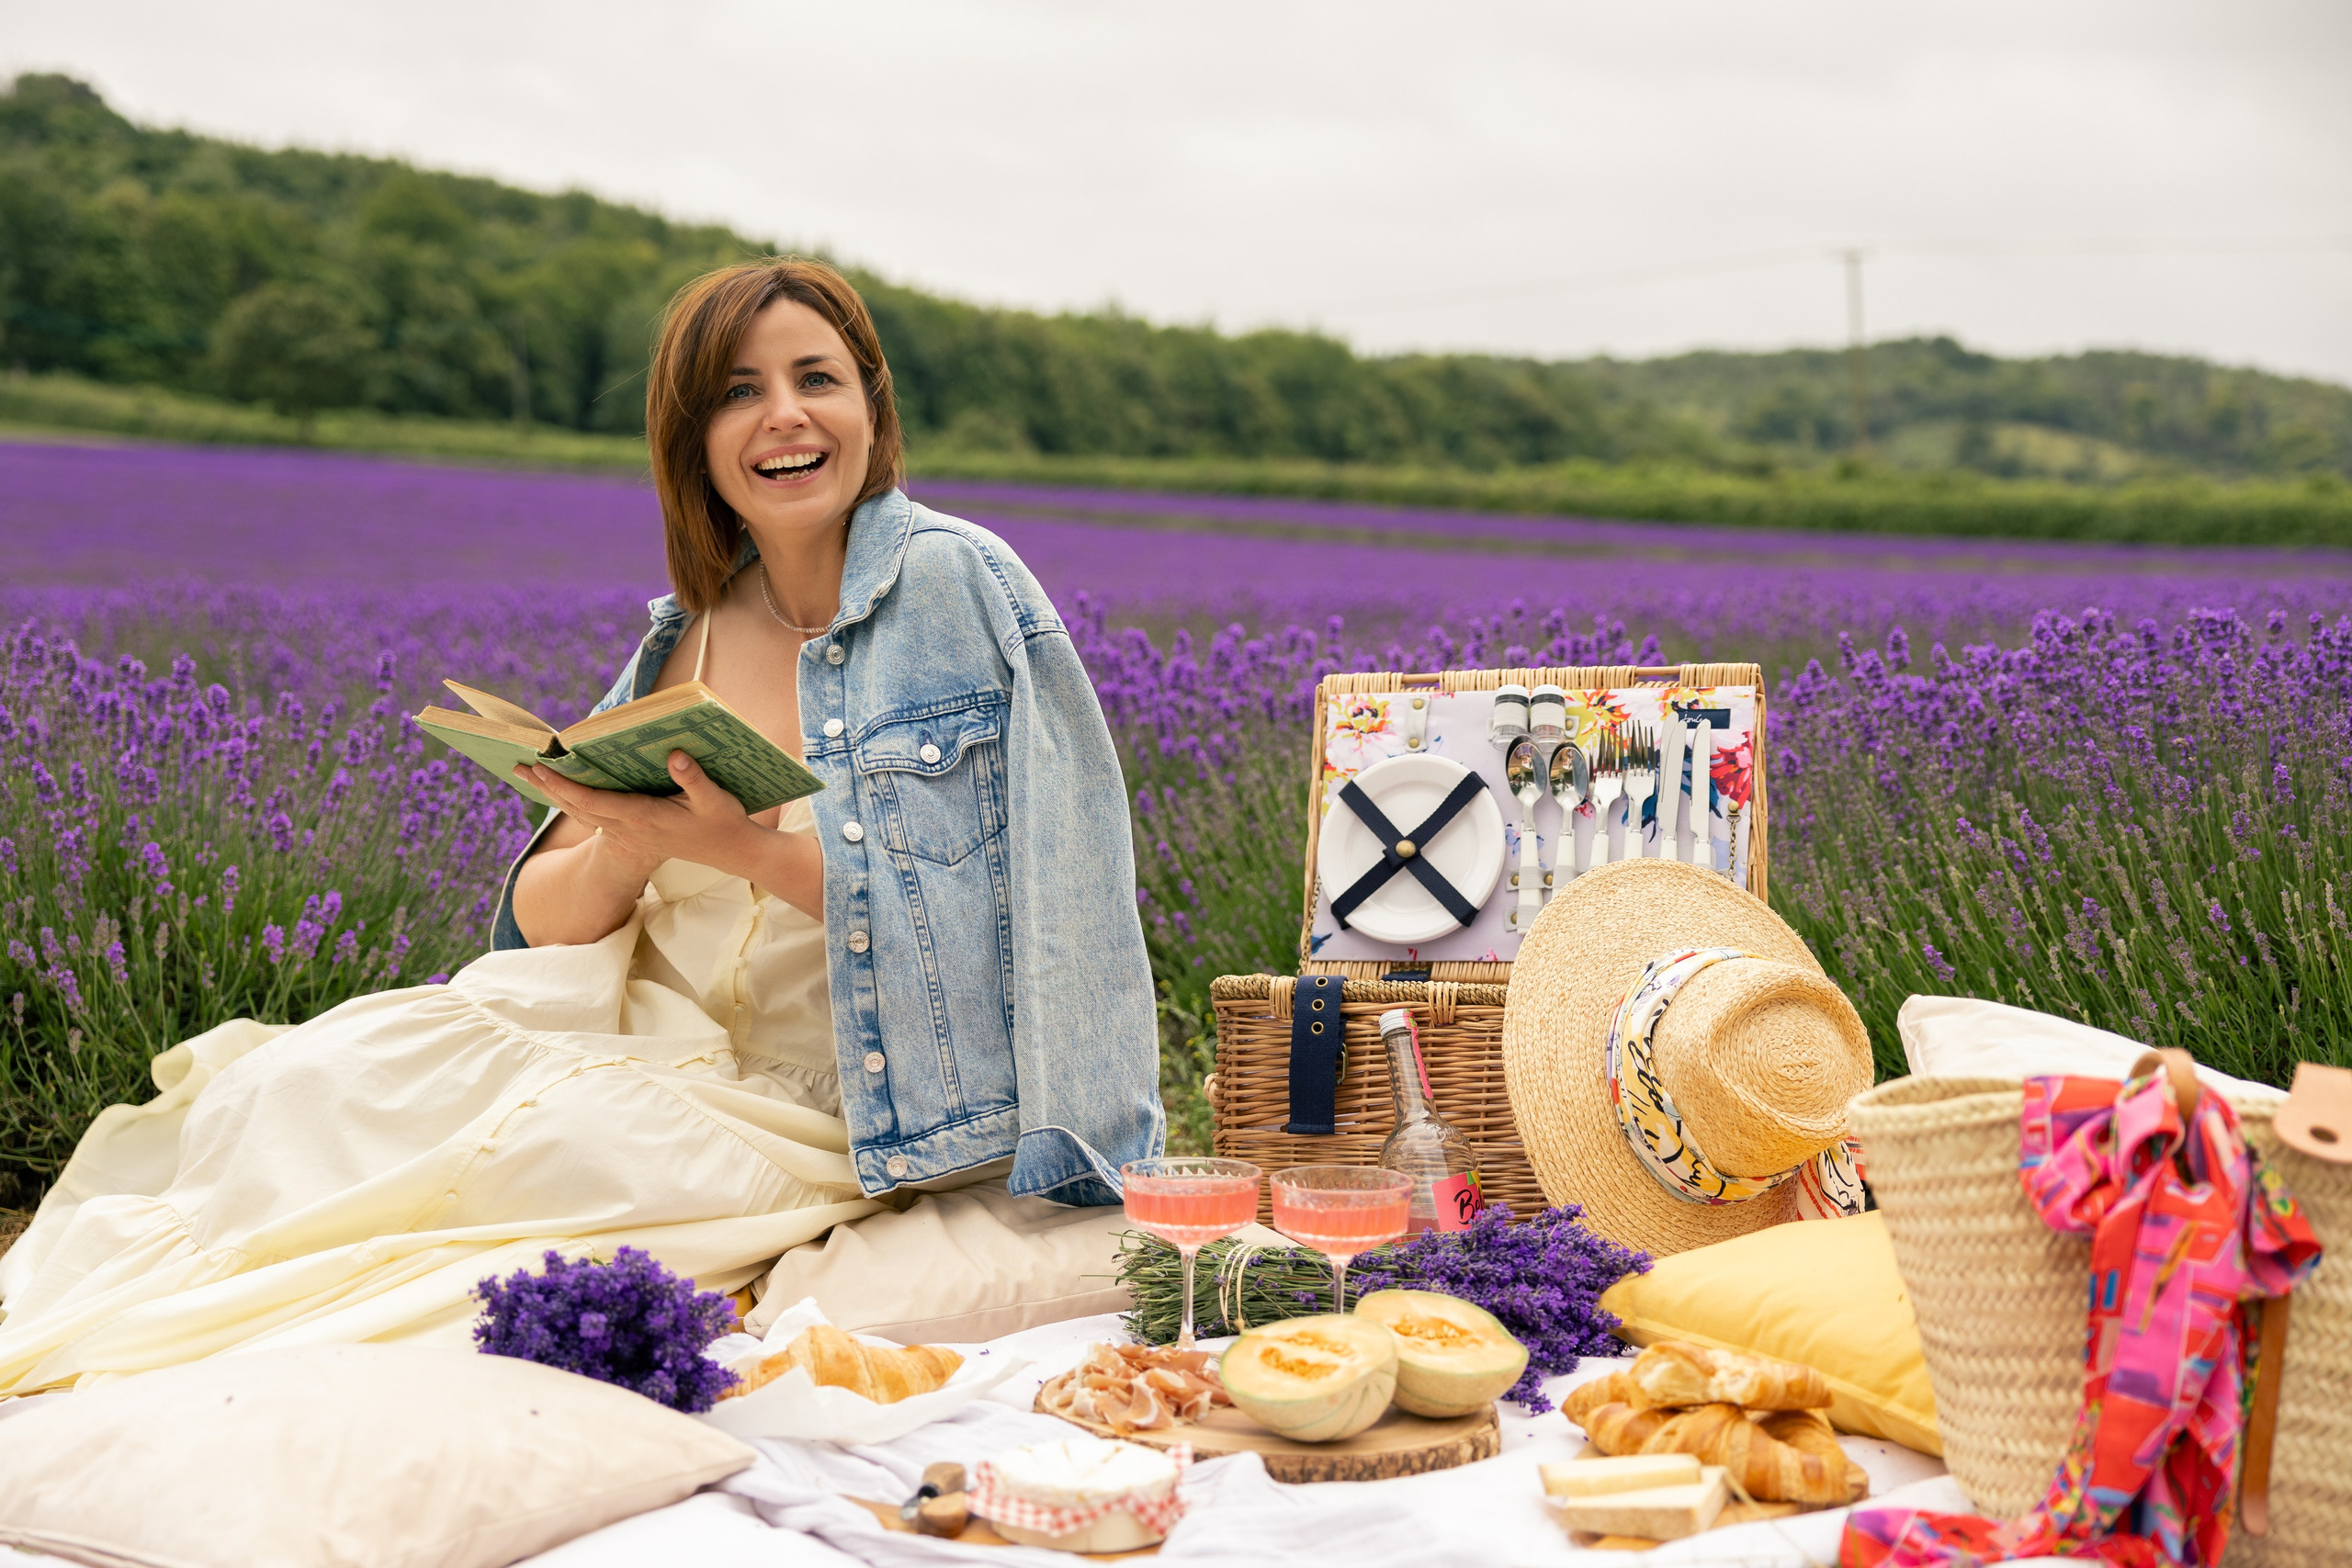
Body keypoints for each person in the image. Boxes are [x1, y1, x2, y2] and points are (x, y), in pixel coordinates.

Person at [0, 259, 1161, 1393]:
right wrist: (630, 839)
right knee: (316, 1080)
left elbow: (1050, 923)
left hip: (847, 1100)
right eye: (739, 393)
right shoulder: (689, 633)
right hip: (651, 1041)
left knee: (541, 1163)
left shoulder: (961, 587)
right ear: (694, 440)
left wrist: (742, 852)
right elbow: (539, 928)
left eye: (818, 378)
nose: (786, 416)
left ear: (871, 405)